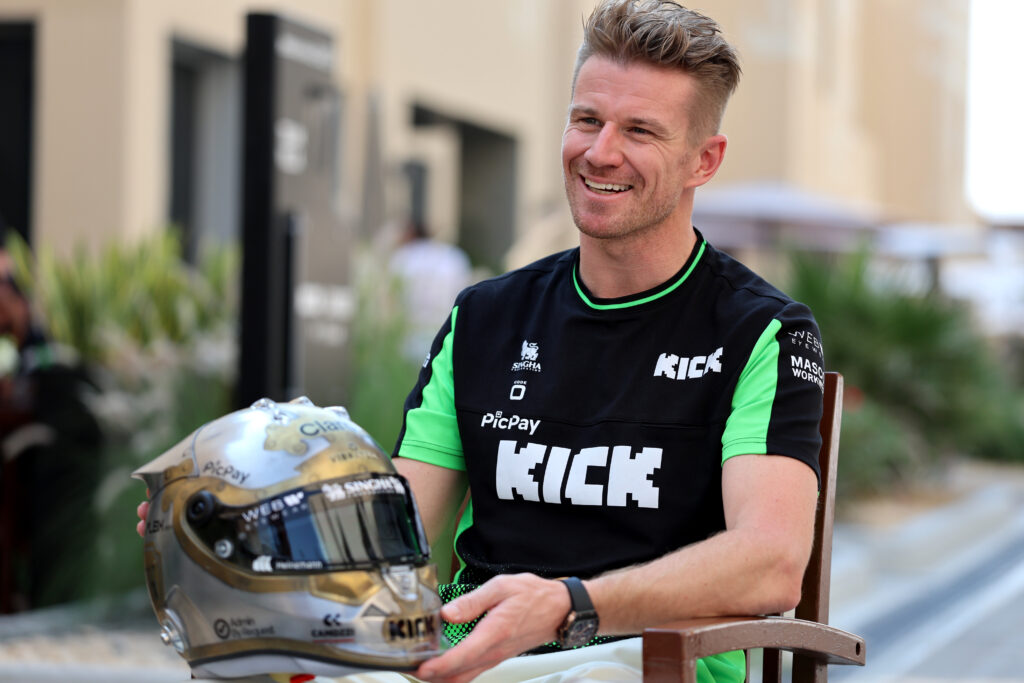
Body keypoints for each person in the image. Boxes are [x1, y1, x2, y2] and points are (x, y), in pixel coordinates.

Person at [140, 2, 824, 681]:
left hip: (640, 659)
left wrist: (567, 604)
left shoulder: (762, 331)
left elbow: (771, 562)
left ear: (703, 160)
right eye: (587, 119)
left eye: (640, 130)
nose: (600, 150)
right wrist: (236, 531)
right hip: (470, 651)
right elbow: (395, 533)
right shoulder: (486, 317)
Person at [388, 220, 473, 364]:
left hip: (409, 332)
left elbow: (390, 299)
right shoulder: (454, 256)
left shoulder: (402, 257)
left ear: (410, 234)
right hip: (447, 331)